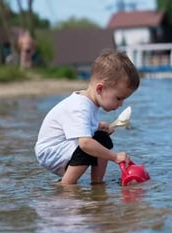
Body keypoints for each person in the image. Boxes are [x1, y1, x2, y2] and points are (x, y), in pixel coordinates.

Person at [34, 49, 140, 185]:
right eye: (118, 98)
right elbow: (84, 143)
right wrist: (115, 157)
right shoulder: (80, 106)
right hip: (51, 151)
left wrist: (97, 126)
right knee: (90, 144)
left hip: (61, 147)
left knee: (102, 138)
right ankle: (66, 184)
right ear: (100, 89)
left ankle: (97, 183)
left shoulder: (90, 103)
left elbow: (79, 125)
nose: (121, 104)